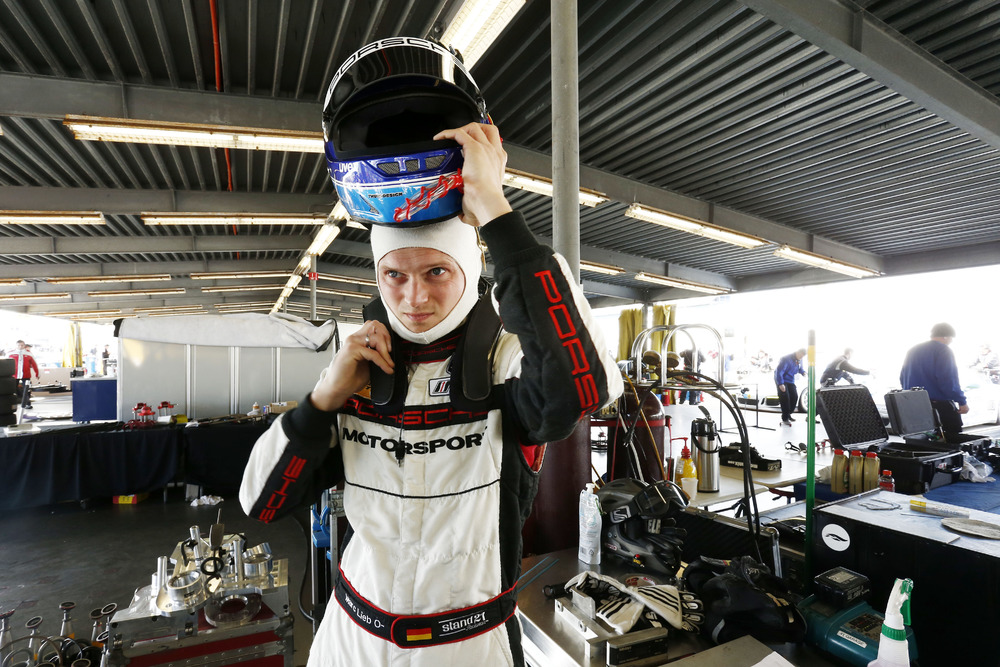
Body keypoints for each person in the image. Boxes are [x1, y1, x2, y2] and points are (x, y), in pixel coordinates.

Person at [240, 38, 623, 667]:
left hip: (469, 648)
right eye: (394, 275)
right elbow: (264, 503)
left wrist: (494, 208)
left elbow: (583, 387)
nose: (414, 297)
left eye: (437, 272)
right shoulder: (358, 364)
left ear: (469, 268)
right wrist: (322, 401)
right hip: (350, 642)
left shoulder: (506, 359)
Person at [900, 322, 968, 437]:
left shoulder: (912, 350)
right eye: (951, 338)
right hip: (938, 405)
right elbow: (948, 380)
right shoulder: (943, 350)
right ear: (946, 336)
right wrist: (962, 401)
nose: (951, 341)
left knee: (919, 439)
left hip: (913, 405)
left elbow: (903, 377)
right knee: (951, 438)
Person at [774, 348, 806, 426]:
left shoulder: (800, 359)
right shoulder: (786, 359)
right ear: (797, 352)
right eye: (801, 355)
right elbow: (779, 371)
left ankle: (788, 414)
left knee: (794, 397)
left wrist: (803, 372)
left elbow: (800, 368)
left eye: (803, 356)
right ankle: (785, 418)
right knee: (785, 398)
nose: (801, 357)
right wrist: (780, 384)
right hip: (781, 379)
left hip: (790, 380)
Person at [9, 340, 39, 409]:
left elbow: (34, 364)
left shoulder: (29, 354)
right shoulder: (10, 353)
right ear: (16, 345)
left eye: (22, 345)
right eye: (19, 345)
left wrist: (37, 373)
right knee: (12, 390)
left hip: (26, 375)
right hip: (14, 375)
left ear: (24, 345)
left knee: (27, 390)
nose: (20, 346)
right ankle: (12, 405)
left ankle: (28, 404)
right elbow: (5, 364)